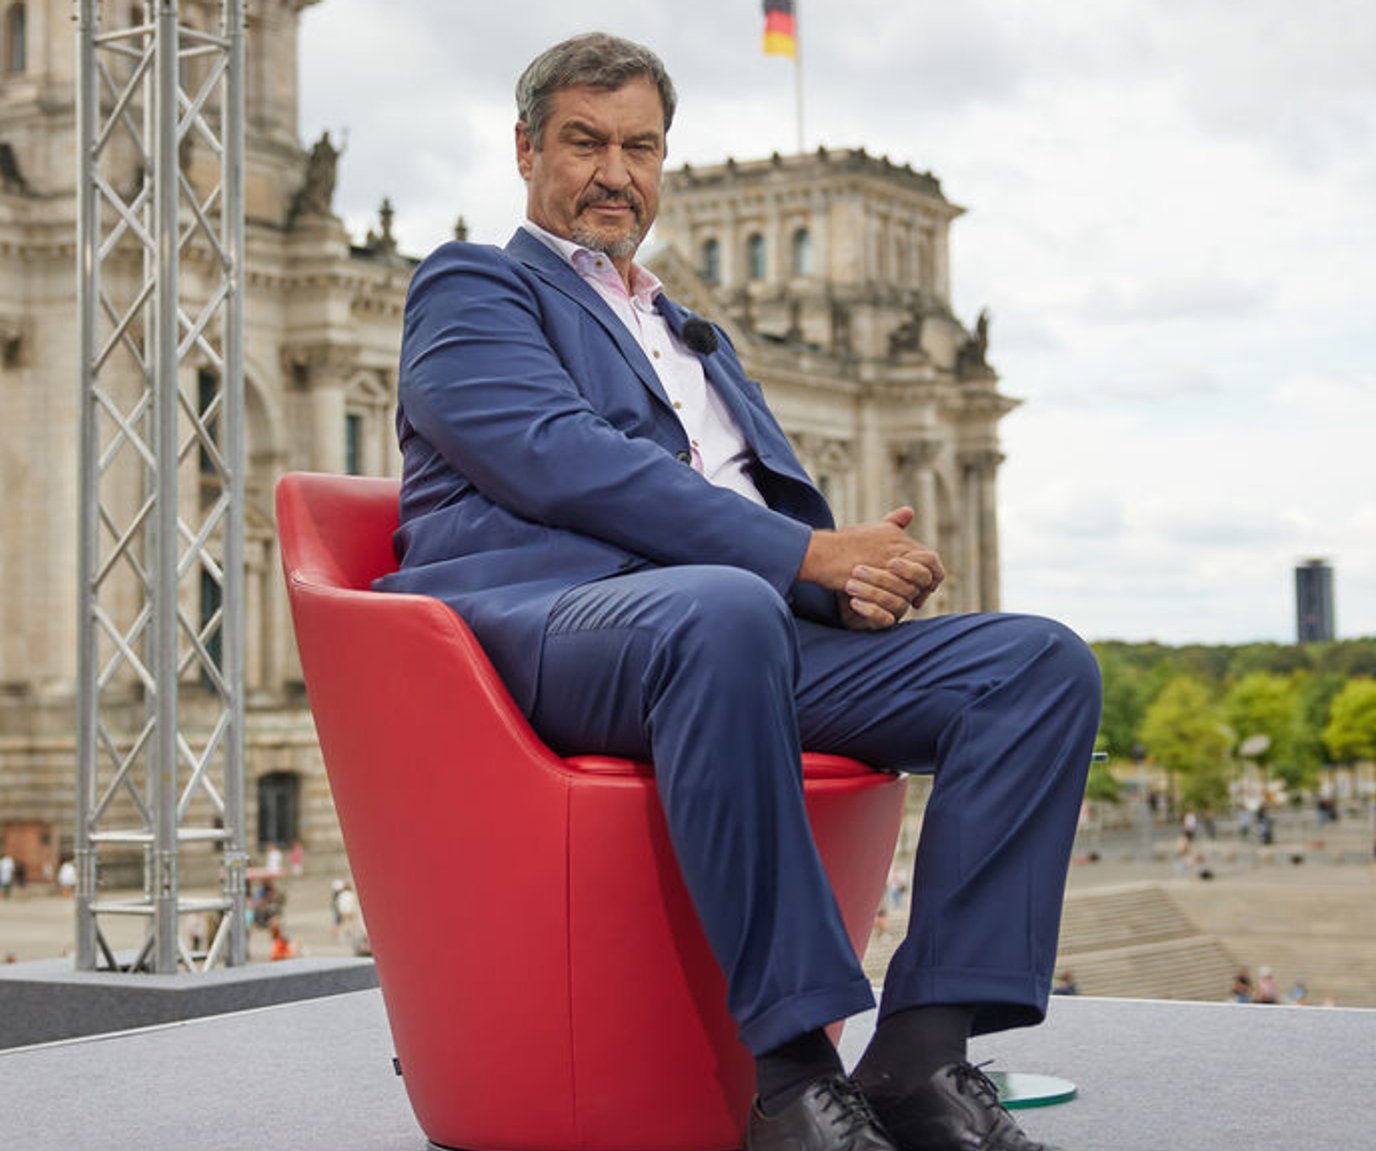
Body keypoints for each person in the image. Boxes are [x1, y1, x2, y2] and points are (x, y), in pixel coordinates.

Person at [379, 33, 1100, 1151]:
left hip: (742, 628)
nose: (613, 171)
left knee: (1034, 663)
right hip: (563, 629)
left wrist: (851, 578)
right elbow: (557, 456)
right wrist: (801, 557)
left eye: (639, 147)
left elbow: (774, 514)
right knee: (717, 604)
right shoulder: (473, 284)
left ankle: (920, 1052)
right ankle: (792, 1073)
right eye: (583, 142)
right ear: (525, 150)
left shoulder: (695, 334)